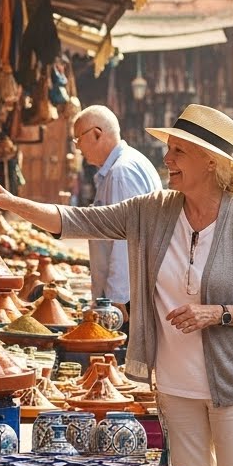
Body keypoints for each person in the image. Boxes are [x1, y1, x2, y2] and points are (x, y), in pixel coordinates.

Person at [0, 104, 233, 466]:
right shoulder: (153, 211)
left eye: (178, 151)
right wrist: (10, 202)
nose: (167, 160)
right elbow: (78, 221)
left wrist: (218, 313)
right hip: (177, 386)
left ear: (210, 163)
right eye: (170, 149)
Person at [71, 105, 161, 322]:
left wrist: (114, 302)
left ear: (96, 134)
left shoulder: (122, 173)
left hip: (127, 300)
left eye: (78, 139)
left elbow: (126, 241)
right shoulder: (120, 168)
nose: (77, 147)